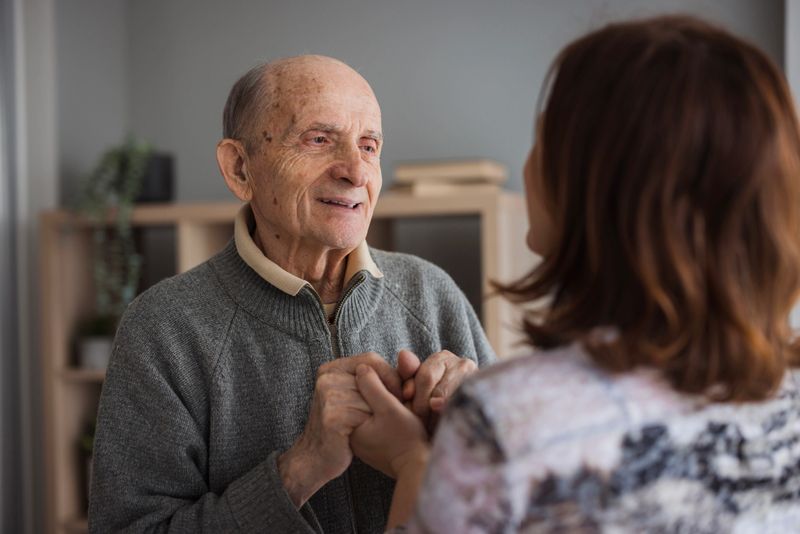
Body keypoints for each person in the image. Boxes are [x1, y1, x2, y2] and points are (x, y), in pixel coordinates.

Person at [350, 15, 800, 532]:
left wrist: (414, 463)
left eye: (543, 140)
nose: (528, 164)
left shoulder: (506, 419)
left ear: (600, 189)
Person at [88, 55, 495, 533]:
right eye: (319, 140)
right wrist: (300, 469)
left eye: (369, 146)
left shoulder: (433, 292)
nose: (355, 171)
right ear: (239, 168)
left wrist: (485, 431)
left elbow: (534, 495)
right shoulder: (162, 328)